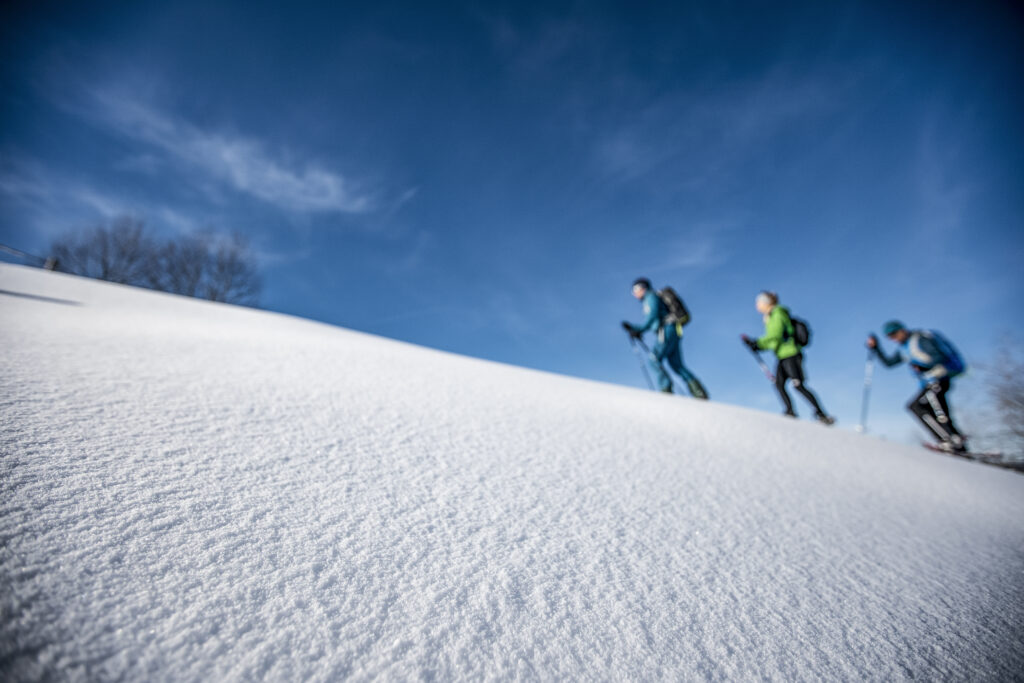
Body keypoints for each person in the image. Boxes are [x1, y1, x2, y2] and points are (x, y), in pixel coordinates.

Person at [866, 320, 967, 453]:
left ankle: (950, 439)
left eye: (894, 334)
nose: (893, 339)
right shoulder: (903, 349)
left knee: (929, 407)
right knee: (927, 408)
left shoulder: (920, 338)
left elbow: (937, 356)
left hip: (939, 378)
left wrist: (922, 365)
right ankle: (955, 442)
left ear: (902, 330)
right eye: (890, 337)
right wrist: (876, 348)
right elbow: (889, 363)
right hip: (927, 383)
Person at [742, 291, 834, 424]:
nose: (757, 305)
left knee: (798, 385)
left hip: (791, 354)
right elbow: (773, 340)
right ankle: (790, 411)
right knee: (779, 384)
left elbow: (775, 336)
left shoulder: (777, 313)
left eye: (759, 302)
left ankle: (821, 414)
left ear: (766, 302)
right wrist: (757, 345)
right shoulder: (770, 317)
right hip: (781, 355)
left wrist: (757, 343)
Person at [621, 278, 708, 398]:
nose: (635, 293)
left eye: (635, 290)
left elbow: (652, 317)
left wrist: (637, 329)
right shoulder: (653, 297)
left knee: (654, 360)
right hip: (675, 330)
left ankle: (666, 391)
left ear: (642, 287)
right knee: (676, 364)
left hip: (666, 330)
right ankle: (699, 392)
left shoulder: (650, 297)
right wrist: (636, 329)